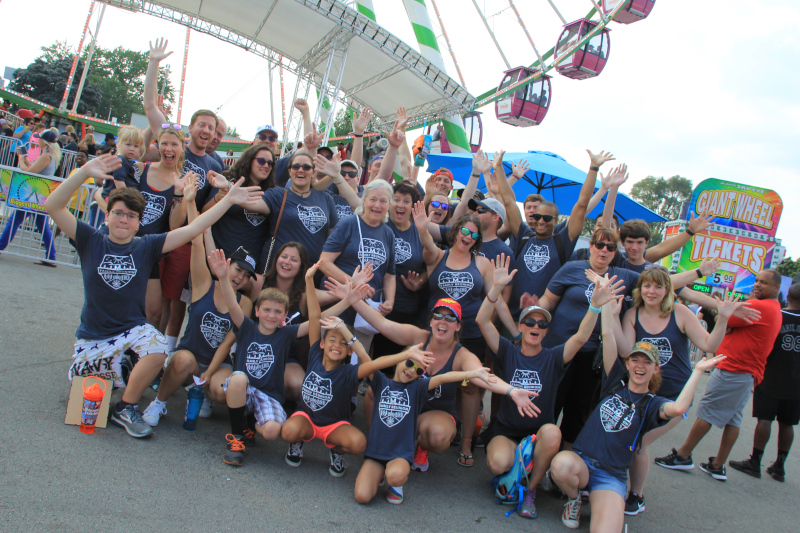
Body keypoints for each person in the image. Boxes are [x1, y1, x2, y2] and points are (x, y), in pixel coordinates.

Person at [45, 154, 262, 439]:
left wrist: (228, 199)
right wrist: (84, 171)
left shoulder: (146, 246)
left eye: (131, 216)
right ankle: (120, 369)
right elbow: (52, 205)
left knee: (158, 346)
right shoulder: (90, 240)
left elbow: (194, 229)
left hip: (131, 332)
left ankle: (126, 407)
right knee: (87, 408)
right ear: (107, 215)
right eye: (118, 213)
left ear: (139, 223)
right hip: (93, 338)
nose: (124, 219)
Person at [550, 285, 725, 532]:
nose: (640, 366)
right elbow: (608, 336)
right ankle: (574, 498)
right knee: (560, 466)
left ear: (656, 368)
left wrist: (697, 372)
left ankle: (612, 510)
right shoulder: (614, 381)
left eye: (647, 362)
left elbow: (678, 408)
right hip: (582, 463)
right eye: (635, 360)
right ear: (628, 363)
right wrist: (607, 306)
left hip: (610, 476)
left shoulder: (653, 403)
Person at [477, 255, 624, 519]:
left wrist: (595, 306)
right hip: (507, 432)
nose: (536, 326)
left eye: (542, 324)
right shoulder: (508, 351)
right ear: (520, 327)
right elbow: (483, 321)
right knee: (497, 463)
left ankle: (530, 490)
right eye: (530, 322)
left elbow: (581, 337)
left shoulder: (554, 357)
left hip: (539, 435)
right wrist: (496, 288)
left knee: (554, 434)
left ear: (546, 331)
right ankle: (520, 467)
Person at [349, 292, 541, 474]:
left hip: (434, 413)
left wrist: (511, 391)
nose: (442, 321)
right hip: (402, 406)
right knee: (375, 392)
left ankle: (421, 448)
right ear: (431, 321)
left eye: (450, 318)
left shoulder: (461, 355)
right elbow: (381, 323)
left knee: (438, 435)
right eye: (438, 316)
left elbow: (483, 376)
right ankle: (379, 441)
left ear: (458, 326)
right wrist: (352, 299)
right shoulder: (419, 337)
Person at [605, 264, 740, 514]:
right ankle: (613, 487)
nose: (651, 291)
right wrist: (613, 316)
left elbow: (709, 344)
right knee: (626, 439)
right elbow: (625, 351)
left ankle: (636, 495)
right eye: (647, 285)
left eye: (658, 286)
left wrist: (722, 318)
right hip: (642, 394)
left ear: (668, 290)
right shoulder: (632, 314)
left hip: (674, 396)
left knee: (639, 442)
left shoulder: (680, 312)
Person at [209, 255, 357, 466]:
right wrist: (223, 278)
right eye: (266, 310)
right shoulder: (247, 327)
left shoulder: (285, 334)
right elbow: (232, 304)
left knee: (271, 431)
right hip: (244, 390)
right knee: (238, 379)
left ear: (285, 316)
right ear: (257, 311)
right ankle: (237, 437)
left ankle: (251, 425)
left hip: (268, 395)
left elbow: (317, 321)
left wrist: (347, 302)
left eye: (278, 312)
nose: (271, 315)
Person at [140, 188, 255, 427]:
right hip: (189, 356)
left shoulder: (245, 303)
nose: (240, 278)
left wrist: (209, 373)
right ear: (227, 264)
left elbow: (228, 343)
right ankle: (159, 402)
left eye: (246, 276)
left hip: (218, 362)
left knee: (222, 391)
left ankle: (202, 392)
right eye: (238, 270)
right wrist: (191, 203)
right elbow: (197, 240)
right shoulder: (204, 284)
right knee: (182, 362)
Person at [656, 269, 783, 481]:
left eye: (764, 282)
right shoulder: (773, 307)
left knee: (707, 411)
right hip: (746, 371)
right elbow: (727, 321)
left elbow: (724, 318)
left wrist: (727, 320)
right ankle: (718, 464)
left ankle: (683, 455)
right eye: (757, 280)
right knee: (733, 419)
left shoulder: (759, 306)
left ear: (777, 287)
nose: (757, 284)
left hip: (734, 368)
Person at [281, 263, 392, 478]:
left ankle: (337, 451)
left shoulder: (350, 372)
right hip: (307, 418)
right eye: (332, 340)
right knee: (288, 431)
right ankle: (297, 442)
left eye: (343, 343)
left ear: (349, 351)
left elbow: (372, 362)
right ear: (323, 343)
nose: (336, 346)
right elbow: (315, 317)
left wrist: (406, 355)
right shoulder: (315, 352)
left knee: (358, 443)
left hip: (334, 426)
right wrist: (309, 280)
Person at [353, 343, 498, 505]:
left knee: (394, 476)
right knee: (362, 496)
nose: (411, 371)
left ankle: (395, 484)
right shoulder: (381, 381)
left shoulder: (417, 388)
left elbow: (444, 377)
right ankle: (380, 473)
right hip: (376, 452)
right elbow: (364, 355)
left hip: (399, 454)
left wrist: (473, 373)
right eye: (409, 363)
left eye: (419, 371)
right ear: (399, 360)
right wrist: (344, 331)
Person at [493, 149, 614, 321]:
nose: (541, 221)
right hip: (511, 317)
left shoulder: (563, 240)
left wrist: (593, 168)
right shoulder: (524, 235)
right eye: (537, 216)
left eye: (547, 218)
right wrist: (498, 168)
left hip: (545, 319)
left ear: (556, 221)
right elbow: (508, 200)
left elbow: (582, 204)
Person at [728, 282, 800, 482]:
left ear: (788, 296)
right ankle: (780, 466)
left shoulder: (778, 315)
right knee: (788, 424)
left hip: (771, 375)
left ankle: (755, 461)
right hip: (796, 382)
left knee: (765, 419)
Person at [248, 150, 338, 269]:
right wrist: (229, 191)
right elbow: (252, 204)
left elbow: (333, 237)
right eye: (295, 166)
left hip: (312, 270)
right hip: (279, 269)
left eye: (306, 167)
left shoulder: (325, 198)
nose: (300, 170)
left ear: (313, 172)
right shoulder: (278, 194)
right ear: (290, 171)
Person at [371, 181, 427, 359]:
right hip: (375, 305)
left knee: (394, 362)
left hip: (405, 309)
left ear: (413, 207)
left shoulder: (420, 233)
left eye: (406, 201)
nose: (400, 205)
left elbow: (431, 265)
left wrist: (420, 282)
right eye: (396, 200)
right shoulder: (378, 226)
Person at [207, 143, 275, 276]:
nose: (266, 165)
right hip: (221, 259)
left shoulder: (272, 192)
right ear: (249, 160)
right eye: (261, 160)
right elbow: (206, 213)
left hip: (248, 269)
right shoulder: (228, 181)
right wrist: (222, 193)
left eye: (270, 163)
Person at [1, 129, 61, 267]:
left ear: (44, 142)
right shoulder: (50, 156)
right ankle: (51, 256)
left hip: (33, 196)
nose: (37, 140)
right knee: (41, 226)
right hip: (38, 195)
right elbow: (34, 168)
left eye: (39, 138)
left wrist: (20, 159)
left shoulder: (45, 156)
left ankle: (1, 246)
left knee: (15, 221)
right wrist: (25, 159)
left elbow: (28, 171)